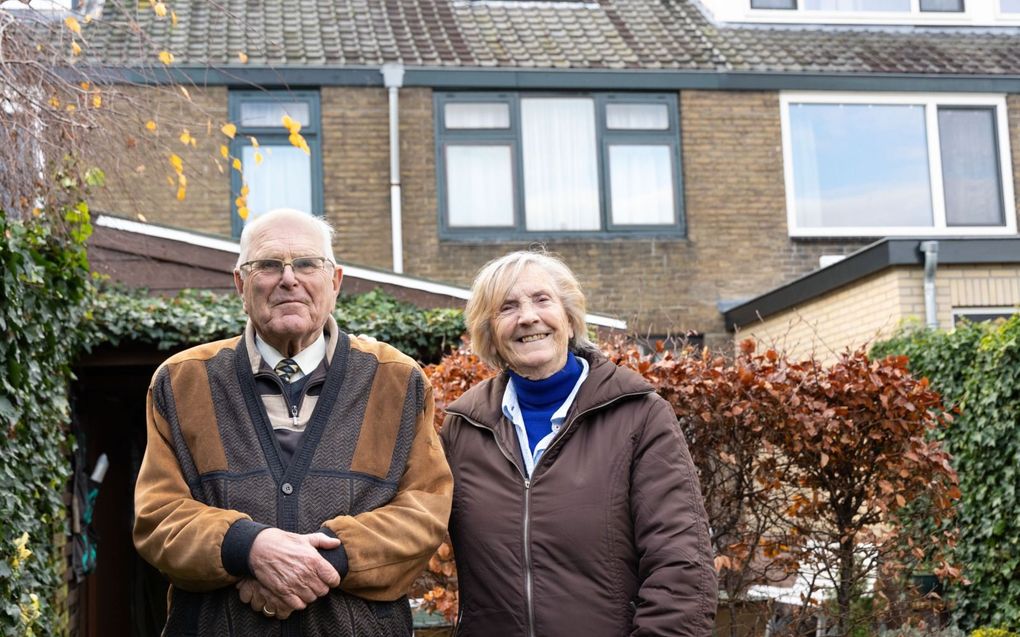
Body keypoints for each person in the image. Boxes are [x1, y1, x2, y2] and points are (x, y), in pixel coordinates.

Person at [133, 208, 453, 635]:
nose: (289, 278)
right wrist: (247, 547)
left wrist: (313, 562)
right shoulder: (181, 381)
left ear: (334, 281)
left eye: (306, 263)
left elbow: (425, 511)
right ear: (240, 284)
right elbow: (158, 516)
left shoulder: (396, 380)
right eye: (267, 265)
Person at [439, 250, 717, 637]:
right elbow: (413, 530)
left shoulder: (639, 415)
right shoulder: (462, 429)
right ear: (490, 334)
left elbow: (682, 566)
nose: (528, 317)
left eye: (542, 299)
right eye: (507, 307)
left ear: (569, 319)